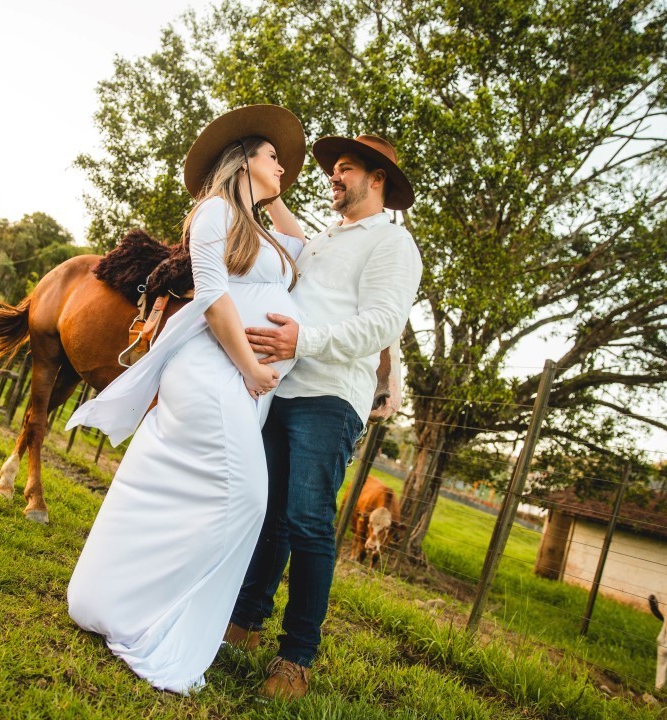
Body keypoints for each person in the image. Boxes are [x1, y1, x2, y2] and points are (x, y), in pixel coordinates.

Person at [63, 105, 309, 694]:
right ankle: (154, 617)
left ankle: (125, 603)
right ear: (243, 160)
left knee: (179, 494)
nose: (283, 167)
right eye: (273, 156)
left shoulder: (262, 232)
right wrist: (253, 368)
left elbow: (301, 242)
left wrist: (271, 191)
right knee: (246, 499)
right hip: (213, 373)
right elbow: (214, 299)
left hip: (241, 384)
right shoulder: (214, 212)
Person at [225, 134, 423, 700]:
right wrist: (264, 193)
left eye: (346, 168)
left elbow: (382, 324)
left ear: (377, 179)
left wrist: (303, 341)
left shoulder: (392, 242)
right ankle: (245, 622)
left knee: (308, 519)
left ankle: (296, 658)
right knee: (269, 513)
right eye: (334, 169)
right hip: (282, 389)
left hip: (331, 396)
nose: (334, 177)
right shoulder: (325, 240)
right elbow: (287, 250)